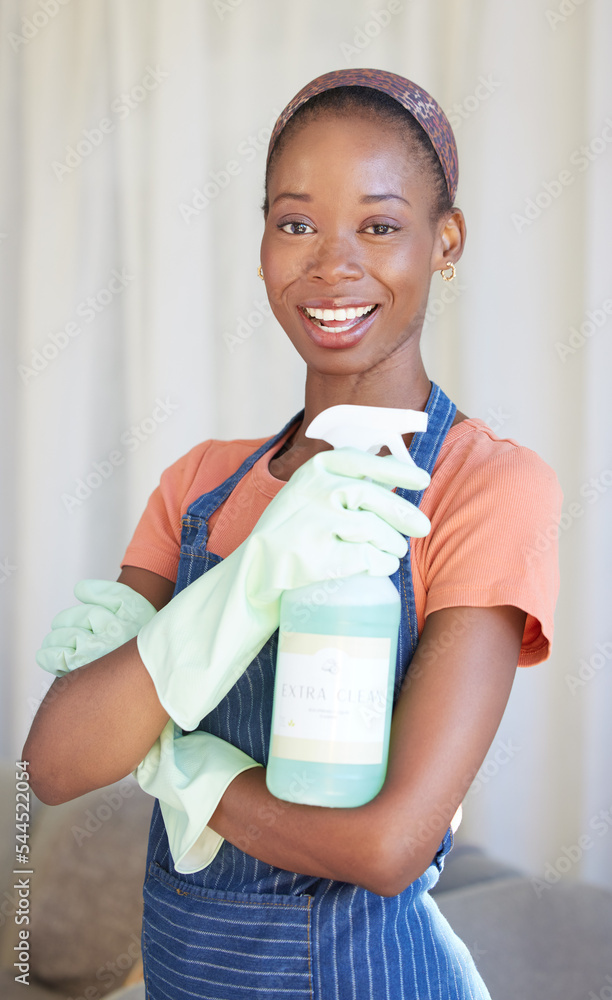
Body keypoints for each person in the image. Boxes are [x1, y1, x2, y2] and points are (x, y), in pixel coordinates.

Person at [24, 68, 562, 999]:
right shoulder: (199, 485)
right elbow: (60, 761)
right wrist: (256, 573)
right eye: (296, 222)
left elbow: (389, 847)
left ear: (447, 241)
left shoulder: (484, 484)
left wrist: (186, 770)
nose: (332, 264)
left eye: (381, 225)